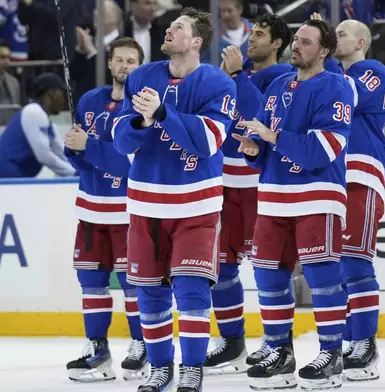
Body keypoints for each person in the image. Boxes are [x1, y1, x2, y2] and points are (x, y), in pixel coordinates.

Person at [111, 7, 236, 392]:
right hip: (146, 203)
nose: (168, 30)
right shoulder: (143, 77)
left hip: (196, 205)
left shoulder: (218, 84)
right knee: (149, 292)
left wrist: (163, 113)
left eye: (177, 27)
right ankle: (161, 368)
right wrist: (140, 121)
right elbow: (120, 139)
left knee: (192, 288)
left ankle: (192, 368)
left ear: (196, 41)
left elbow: (208, 142)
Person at [234, 18, 354, 391]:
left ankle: (332, 353)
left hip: (318, 194)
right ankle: (279, 350)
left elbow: (324, 148)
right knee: (268, 275)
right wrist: (255, 149)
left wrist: (272, 135)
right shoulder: (278, 85)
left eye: (305, 41)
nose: (296, 46)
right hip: (273, 196)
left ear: (324, 50)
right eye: (296, 40)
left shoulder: (337, 86)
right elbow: (266, 145)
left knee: (322, 277)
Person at [202, 12, 292, 375]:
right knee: (220, 268)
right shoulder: (229, 76)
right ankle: (232, 341)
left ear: (277, 44)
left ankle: (276, 342)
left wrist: (238, 77)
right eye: (251, 32)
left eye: (261, 34)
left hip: (259, 185)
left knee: (269, 268)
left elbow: (262, 117)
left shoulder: (285, 78)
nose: (251, 39)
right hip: (223, 185)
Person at [63, 37, 148, 383]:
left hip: (128, 213)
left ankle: (141, 345)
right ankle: (96, 348)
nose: (125, 66)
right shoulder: (89, 101)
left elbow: (129, 165)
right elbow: (81, 159)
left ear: (139, 67)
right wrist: (73, 148)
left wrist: (90, 147)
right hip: (90, 210)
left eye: (132, 61)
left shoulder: (143, 108)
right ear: (110, 64)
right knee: (92, 282)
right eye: (120, 60)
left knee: (134, 284)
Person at [331, 17, 385, 381]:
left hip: (362, 174)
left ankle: (365, 344)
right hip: (334, 177)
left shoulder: (373, 70)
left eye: (341, 35)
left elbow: (345, 97)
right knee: (337, 267)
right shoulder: (332, 74)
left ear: (361, 42)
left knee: (355, 263)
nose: (336, 39)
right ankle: (349, 339)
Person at [0, 73, 75, 178]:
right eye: (62, 94)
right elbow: (44, 156)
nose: (63, 100)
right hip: (7, 176)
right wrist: (74, 172)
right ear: (52, 93)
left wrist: (81, 167)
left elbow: (63, 153)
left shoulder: (48, 123)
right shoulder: (33, 112)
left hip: (16, 176)